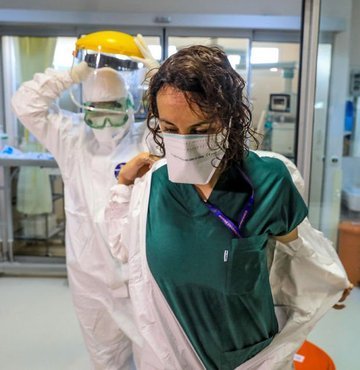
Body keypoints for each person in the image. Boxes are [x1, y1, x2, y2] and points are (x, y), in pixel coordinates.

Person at [105, 45, 352, 370]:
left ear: (230, 118)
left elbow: (301, 247)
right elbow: (125, 248)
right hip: (172, 356)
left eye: (201, 130)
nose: (182, 141)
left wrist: (330, 279)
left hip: (252, 356)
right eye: (169, 129)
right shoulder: (151, 186)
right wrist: (122, 187)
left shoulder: (269, 179)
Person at [11, 31, 159, 370]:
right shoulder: (71, 137)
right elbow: (25, 104)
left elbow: (185, 124)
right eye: (96, 111)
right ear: (83, 108)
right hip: (90, 279)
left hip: (139, 277)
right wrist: (70, 75)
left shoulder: (146, 138)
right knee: (105, 359)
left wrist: (157, 76)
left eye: (114, 110)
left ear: (130, 107)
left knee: (155, 356)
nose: (105, 121)